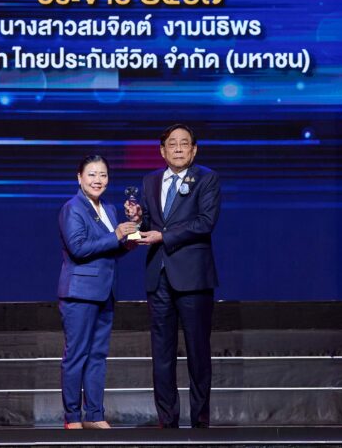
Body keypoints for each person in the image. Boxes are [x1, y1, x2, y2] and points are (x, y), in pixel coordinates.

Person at [128, 124, 220, 429]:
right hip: (159, 277)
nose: (178, 148)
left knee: (197, 351)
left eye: (184, 143)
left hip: (193, 278)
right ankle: (167, 422)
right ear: (162, 150)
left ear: (194, 149)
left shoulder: (206, 178)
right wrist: (138, 220)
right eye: (172, 143)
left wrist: (163, 236)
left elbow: (205, 222)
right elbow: (151, 224)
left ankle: (200, 422)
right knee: (162, 353)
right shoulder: (150, 180)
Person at [57, 154, 140, 429]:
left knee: (97, 357)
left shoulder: (110, 209)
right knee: (77, 356)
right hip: (79, 294)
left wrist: (130, 238)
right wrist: (116, 235)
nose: (98, 180)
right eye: (91, 174)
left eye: (103, 175)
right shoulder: (73, 208)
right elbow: (78, 248)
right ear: (79, 178)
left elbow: (111, 250)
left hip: (104, 292)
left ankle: (94, 415)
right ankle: (72, 417)